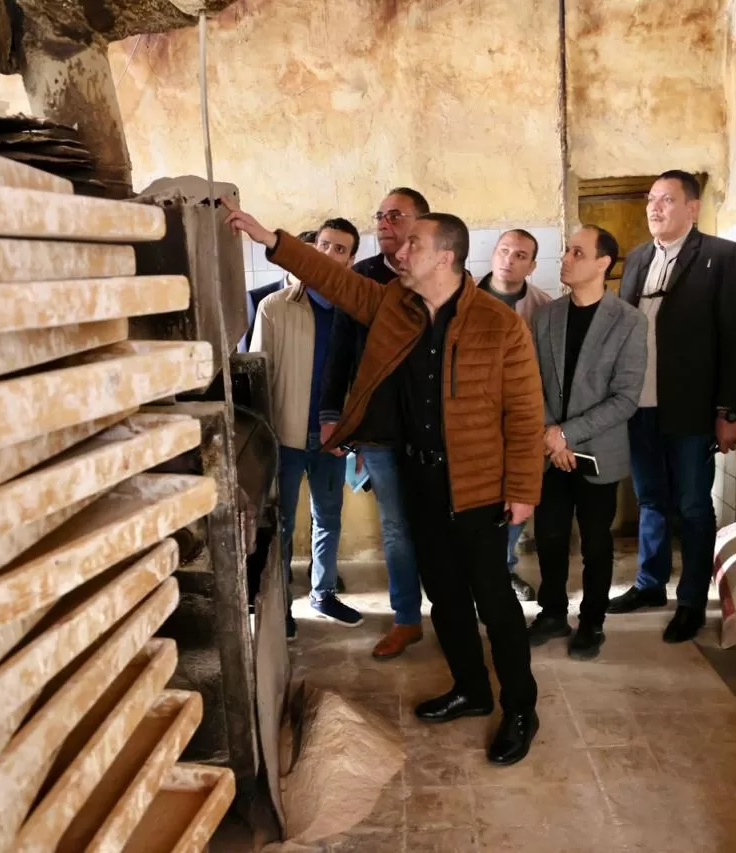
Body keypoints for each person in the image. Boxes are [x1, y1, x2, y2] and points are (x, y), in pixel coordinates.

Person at [226, 198, 546, 766]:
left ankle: (521, 708)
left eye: (414, 243)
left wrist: (523, 490)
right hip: (420, 476)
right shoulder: (396, 304)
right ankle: (472, 689)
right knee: (444, 595)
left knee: (494, 601)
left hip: (480, 486)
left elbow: (525, 413)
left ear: (445, 256)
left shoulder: (499, 325)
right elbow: (336, 281)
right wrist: (271, 240)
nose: (399, 250)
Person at [607, 170, 736, 644]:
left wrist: (730, 411)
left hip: (692, 407)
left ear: (692, 207)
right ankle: (650, 584)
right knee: (650, 498)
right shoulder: (638, 258)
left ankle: (691, 600)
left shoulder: (723, 256)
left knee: (692, 504)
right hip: (639, 405)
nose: (654, 207)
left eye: (666, 200)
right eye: (651, 199)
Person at [319, 188, 431, 660]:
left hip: (435, 427)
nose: (384, 223)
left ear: (421, 224)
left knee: (440, 521)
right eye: (380, 215)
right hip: (381, 429)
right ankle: (406, 618)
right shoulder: (362, 277)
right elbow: (340, 351)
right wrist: (331, 415)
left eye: (395, 216)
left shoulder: (440, 273)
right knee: (396, 528)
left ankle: (452, 610)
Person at [527, 226, 646, 660]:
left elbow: (625, 398)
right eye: (566, 250)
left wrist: (567, 433)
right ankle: (552, 612)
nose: (566, 257)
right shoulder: (546, 316)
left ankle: (592, 621)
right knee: (550, 536)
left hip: (598, 452)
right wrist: (552, 436)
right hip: (549, 451)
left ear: (602, 264)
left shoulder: (629, 321)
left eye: (577, 252)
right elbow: (532, 383)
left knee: (596, 542)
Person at [249, 220, 363, 639]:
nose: (329, 255)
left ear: (350, 260)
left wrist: (356, 434)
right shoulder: (275, 307)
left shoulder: (355, 310)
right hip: (285, 435)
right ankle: (280, 606)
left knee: (328, 517)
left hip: (333, 438)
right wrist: (263, 439)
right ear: (312, 248)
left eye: (340, 249)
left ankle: (324, 593)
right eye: (324, 245)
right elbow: (257, 376)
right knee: (280, 524)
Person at [476, 229, 553, 602]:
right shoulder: (463, 298)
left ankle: (502, 570)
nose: (509, 259)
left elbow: (549, 370)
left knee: (516, 498)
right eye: (504, 251)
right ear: (493, 254)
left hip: (521, 421)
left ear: (532, 266)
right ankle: (473, 574)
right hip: (472, 422)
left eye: (520, 255)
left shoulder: (543, 307)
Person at [239, 229, 316, 352]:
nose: (309, 263)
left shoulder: (325, 302)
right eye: (303, 256)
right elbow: (246, 354)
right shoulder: (255, 299)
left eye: (315, 258)